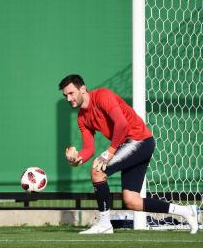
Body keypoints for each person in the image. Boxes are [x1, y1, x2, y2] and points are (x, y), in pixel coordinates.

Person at [59, 74, 200, 234]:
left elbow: (122, 124)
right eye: (65, 95)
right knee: (131, 201)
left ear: (82, 89)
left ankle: (104, 225)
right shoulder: (82, 118)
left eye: (71, 93)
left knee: (97, 171)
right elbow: (89, 148)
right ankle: (187, 212)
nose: (69, 98)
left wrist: (110, 152)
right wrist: (77, 158)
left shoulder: (102, 95)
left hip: (139, 141)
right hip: (134, 145)